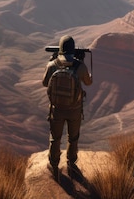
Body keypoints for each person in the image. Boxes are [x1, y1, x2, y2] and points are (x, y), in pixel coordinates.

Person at [42, 35, 92, 180]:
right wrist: (81, 63)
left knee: (55, 138)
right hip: (74, 110)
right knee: (73, 137)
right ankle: (71, 162)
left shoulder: (53, 65)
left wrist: (51, 61)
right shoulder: (79, 66)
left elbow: (45, 83)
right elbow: (88, 82)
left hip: (56, 109)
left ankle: (53, 164)